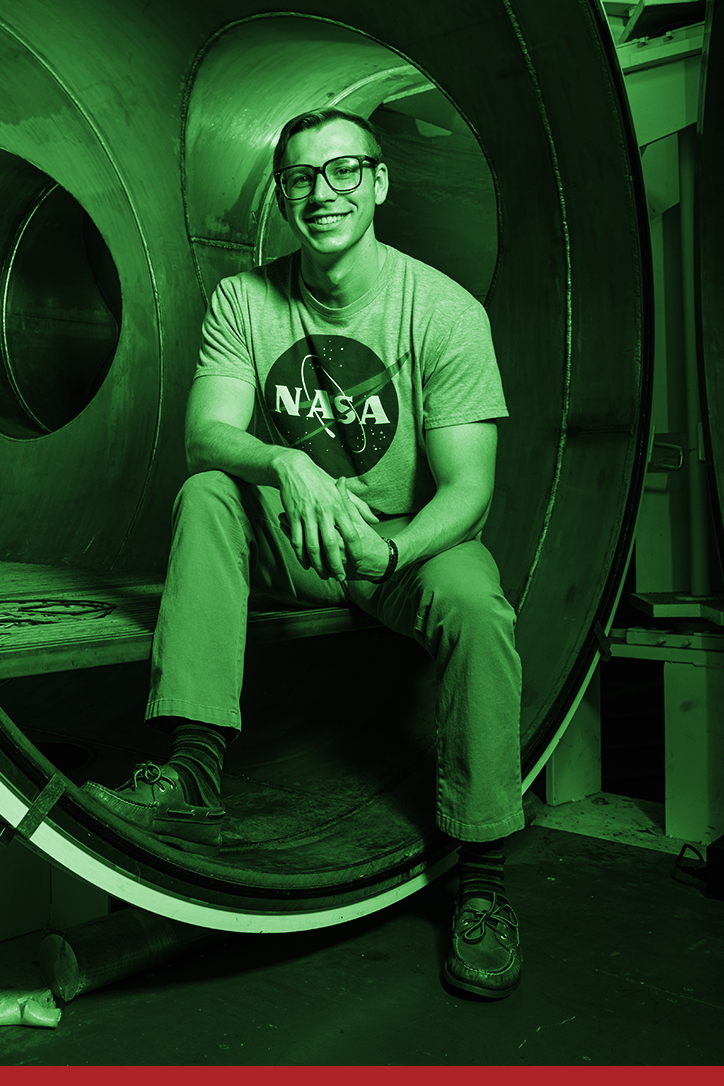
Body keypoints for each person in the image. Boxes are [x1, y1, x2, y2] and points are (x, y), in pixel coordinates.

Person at [83, 107, 525, 999]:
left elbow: (470, 491)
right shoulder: (246, 299)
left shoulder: (442, 310)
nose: (321, 193)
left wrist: (392, 554)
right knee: (209, 493)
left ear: (379, 182)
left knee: (480, 608)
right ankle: (193, 770)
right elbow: (208, 436)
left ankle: (482, 880)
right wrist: (284, 460)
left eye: (342, 172)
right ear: (282, 195)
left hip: (404, 546)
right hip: (295, 538)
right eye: (300, 178)